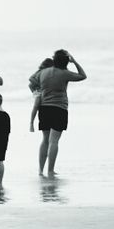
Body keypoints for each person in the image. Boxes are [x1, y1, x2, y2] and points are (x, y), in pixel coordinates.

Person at [28, 50, 88, 178]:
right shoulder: (65, 73)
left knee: (45, 140)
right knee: (53, 141)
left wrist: (36, 92)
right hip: (59, 108)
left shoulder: (43, 72)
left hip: (44, 108)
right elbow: (83, 76)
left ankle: (40, 170)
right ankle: (50, 171)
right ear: (66, 62)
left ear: (54, 59)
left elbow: (31, 79)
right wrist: (75, 61)